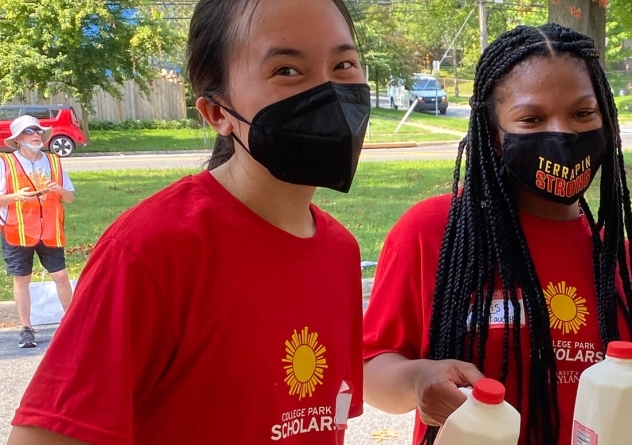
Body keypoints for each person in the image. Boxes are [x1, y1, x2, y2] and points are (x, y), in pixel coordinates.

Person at [8, 0, 371, 443]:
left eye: (345, 63)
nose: (329, 91)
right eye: (287, 70)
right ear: (217, 113)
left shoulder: (340, 252)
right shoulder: (152, 250)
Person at [361, 23, 632, 445]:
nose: (563, 134)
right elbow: (369, 366)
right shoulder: (430, 234)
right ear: (493, 135)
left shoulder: (622, 265)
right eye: (532, 118)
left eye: (583, 113)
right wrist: (417, 381)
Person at [0, 115, 75, 348]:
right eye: (29, 132)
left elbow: (70, 197)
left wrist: (59, 189)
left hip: (50, 230)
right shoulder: (5, 163)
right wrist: (16, 196)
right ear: (18, 139)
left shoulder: (53, 161)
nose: (36, 135)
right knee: (22, 278)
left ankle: (72, 322)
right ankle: (26, 328)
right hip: (17, 230)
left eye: (38, 131)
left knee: (61, 276)